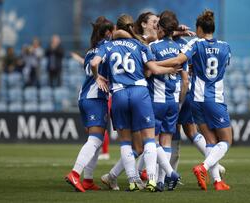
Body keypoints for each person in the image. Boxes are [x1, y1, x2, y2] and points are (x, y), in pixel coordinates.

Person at [90, 14, 179, 192]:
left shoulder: (108, 46)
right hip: (140, 92)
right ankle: (153, 180)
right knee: (149, 140)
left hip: (119, 94)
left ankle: (132, 181)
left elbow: (94, 63)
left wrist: (97, 77)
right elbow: (153, 69)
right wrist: (171, 69)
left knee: (125, 142)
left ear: (118, 27)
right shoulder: (140, 44)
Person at [156, 10, 232, 191]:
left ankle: (217, 181)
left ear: (199, 28)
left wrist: (156, 65)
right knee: (227, 140)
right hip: (215, 98)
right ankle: (203, 167)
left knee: (211, 141)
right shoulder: (225, 46)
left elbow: (179, 60)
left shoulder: (195, 44)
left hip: (196, 99)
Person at [65, 16, 114, 193]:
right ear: (108, 33)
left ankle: (87, 180)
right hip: (95, 98)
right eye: (113, 31)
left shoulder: (90, 50)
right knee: (95, 140)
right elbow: (96, 66)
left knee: (97, 140)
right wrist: (98, 76)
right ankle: (75, 174)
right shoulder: (105, 48)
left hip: (84, 98)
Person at [147, 10, 187, 191]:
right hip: (173, 101)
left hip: (156, 99)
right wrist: (180, 102)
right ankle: (163, 182)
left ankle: (159, 178)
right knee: (166, 142)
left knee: (153, 142)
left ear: (161, 28)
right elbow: (185, 80)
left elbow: (148, 71)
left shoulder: (153, 47)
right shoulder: (180, 49)